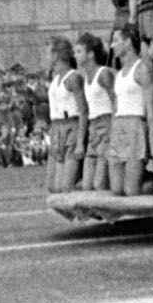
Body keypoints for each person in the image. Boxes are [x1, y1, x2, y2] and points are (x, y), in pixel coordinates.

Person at [107, 25, 153, 198]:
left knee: (131, 191)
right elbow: (115, 107)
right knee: (117, 189)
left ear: (128, 42)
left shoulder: (142, 69)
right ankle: (148, 178)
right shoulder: (119, 74)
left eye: (116, 41)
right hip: (119, 126)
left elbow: (150, 107)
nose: (112, 46)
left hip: (135, 125)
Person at [46, 38, 88, 194]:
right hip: (56, 128)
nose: (47, 57)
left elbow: (83, 111)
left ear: (56, 54)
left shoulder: (73, 77)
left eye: (48, 52)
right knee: (53, 187)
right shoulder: (55, 78)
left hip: (71, 126)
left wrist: (80, 143)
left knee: (65, 186)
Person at [76, 33, 115, 192]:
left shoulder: (103, 73)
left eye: (79, 51)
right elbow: (85, 111)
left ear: (91, 54)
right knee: (87, 185)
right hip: (93, 127)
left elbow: (115, 102)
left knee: (99, 183)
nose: (75, 56)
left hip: (106, 125)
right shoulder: (86, 77)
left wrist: (114, 130)